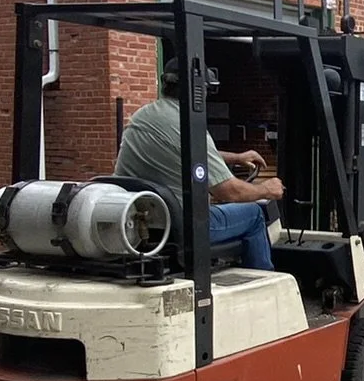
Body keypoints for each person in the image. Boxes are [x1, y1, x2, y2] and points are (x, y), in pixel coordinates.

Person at [114, 63, 283, 270]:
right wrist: (266, 189)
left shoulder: (143, 116)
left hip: (146, 223)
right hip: (185, 226)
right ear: (199, 90)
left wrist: (236, 157)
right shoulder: (188, 125)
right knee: (256, 214)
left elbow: (182, 152)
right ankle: (264, 287)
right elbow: (230, 191)